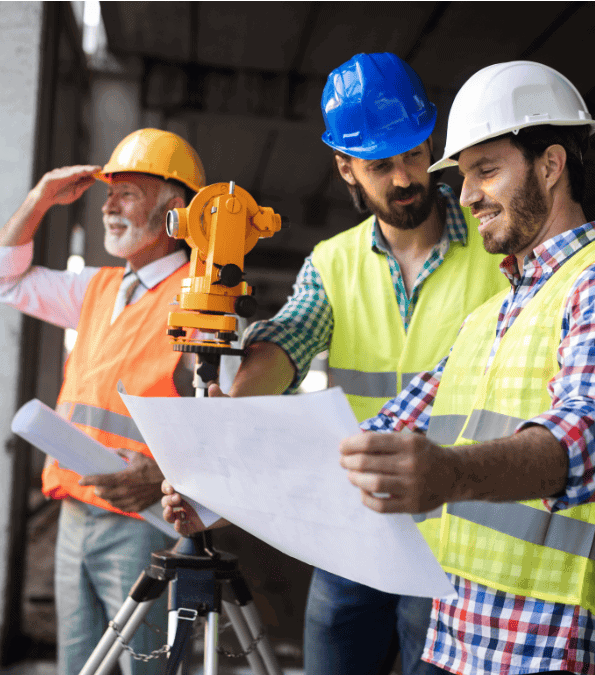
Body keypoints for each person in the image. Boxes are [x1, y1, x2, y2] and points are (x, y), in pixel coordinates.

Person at [336, 61, 595, 674]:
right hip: (461, 643)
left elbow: (592, 437)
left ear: (551, 166)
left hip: (550, 649)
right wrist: (219, 486)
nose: (466, 194)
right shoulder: (489, 317)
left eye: (486, 170)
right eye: (464, 175)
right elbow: (378, 438)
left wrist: (449, 473)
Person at [166, 53, 508, 675]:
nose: (404, 177)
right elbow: (287, 341)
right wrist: (228, 422)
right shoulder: (332, 261)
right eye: (381, 165)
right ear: (345, 167)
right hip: (354, 530)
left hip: (457, 531)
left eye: (413, 154)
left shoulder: (497, 249)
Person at [0, 128, 206, 675]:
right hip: (76, 516)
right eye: (108, 193)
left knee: (148, 669)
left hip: (145, 521)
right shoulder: (99, 289)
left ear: (174, 209)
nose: (109, 207)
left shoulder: (203, 295)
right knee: (79, 667)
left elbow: (225, 415)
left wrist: (168, 476)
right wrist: (40, 199)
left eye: (127, 193)